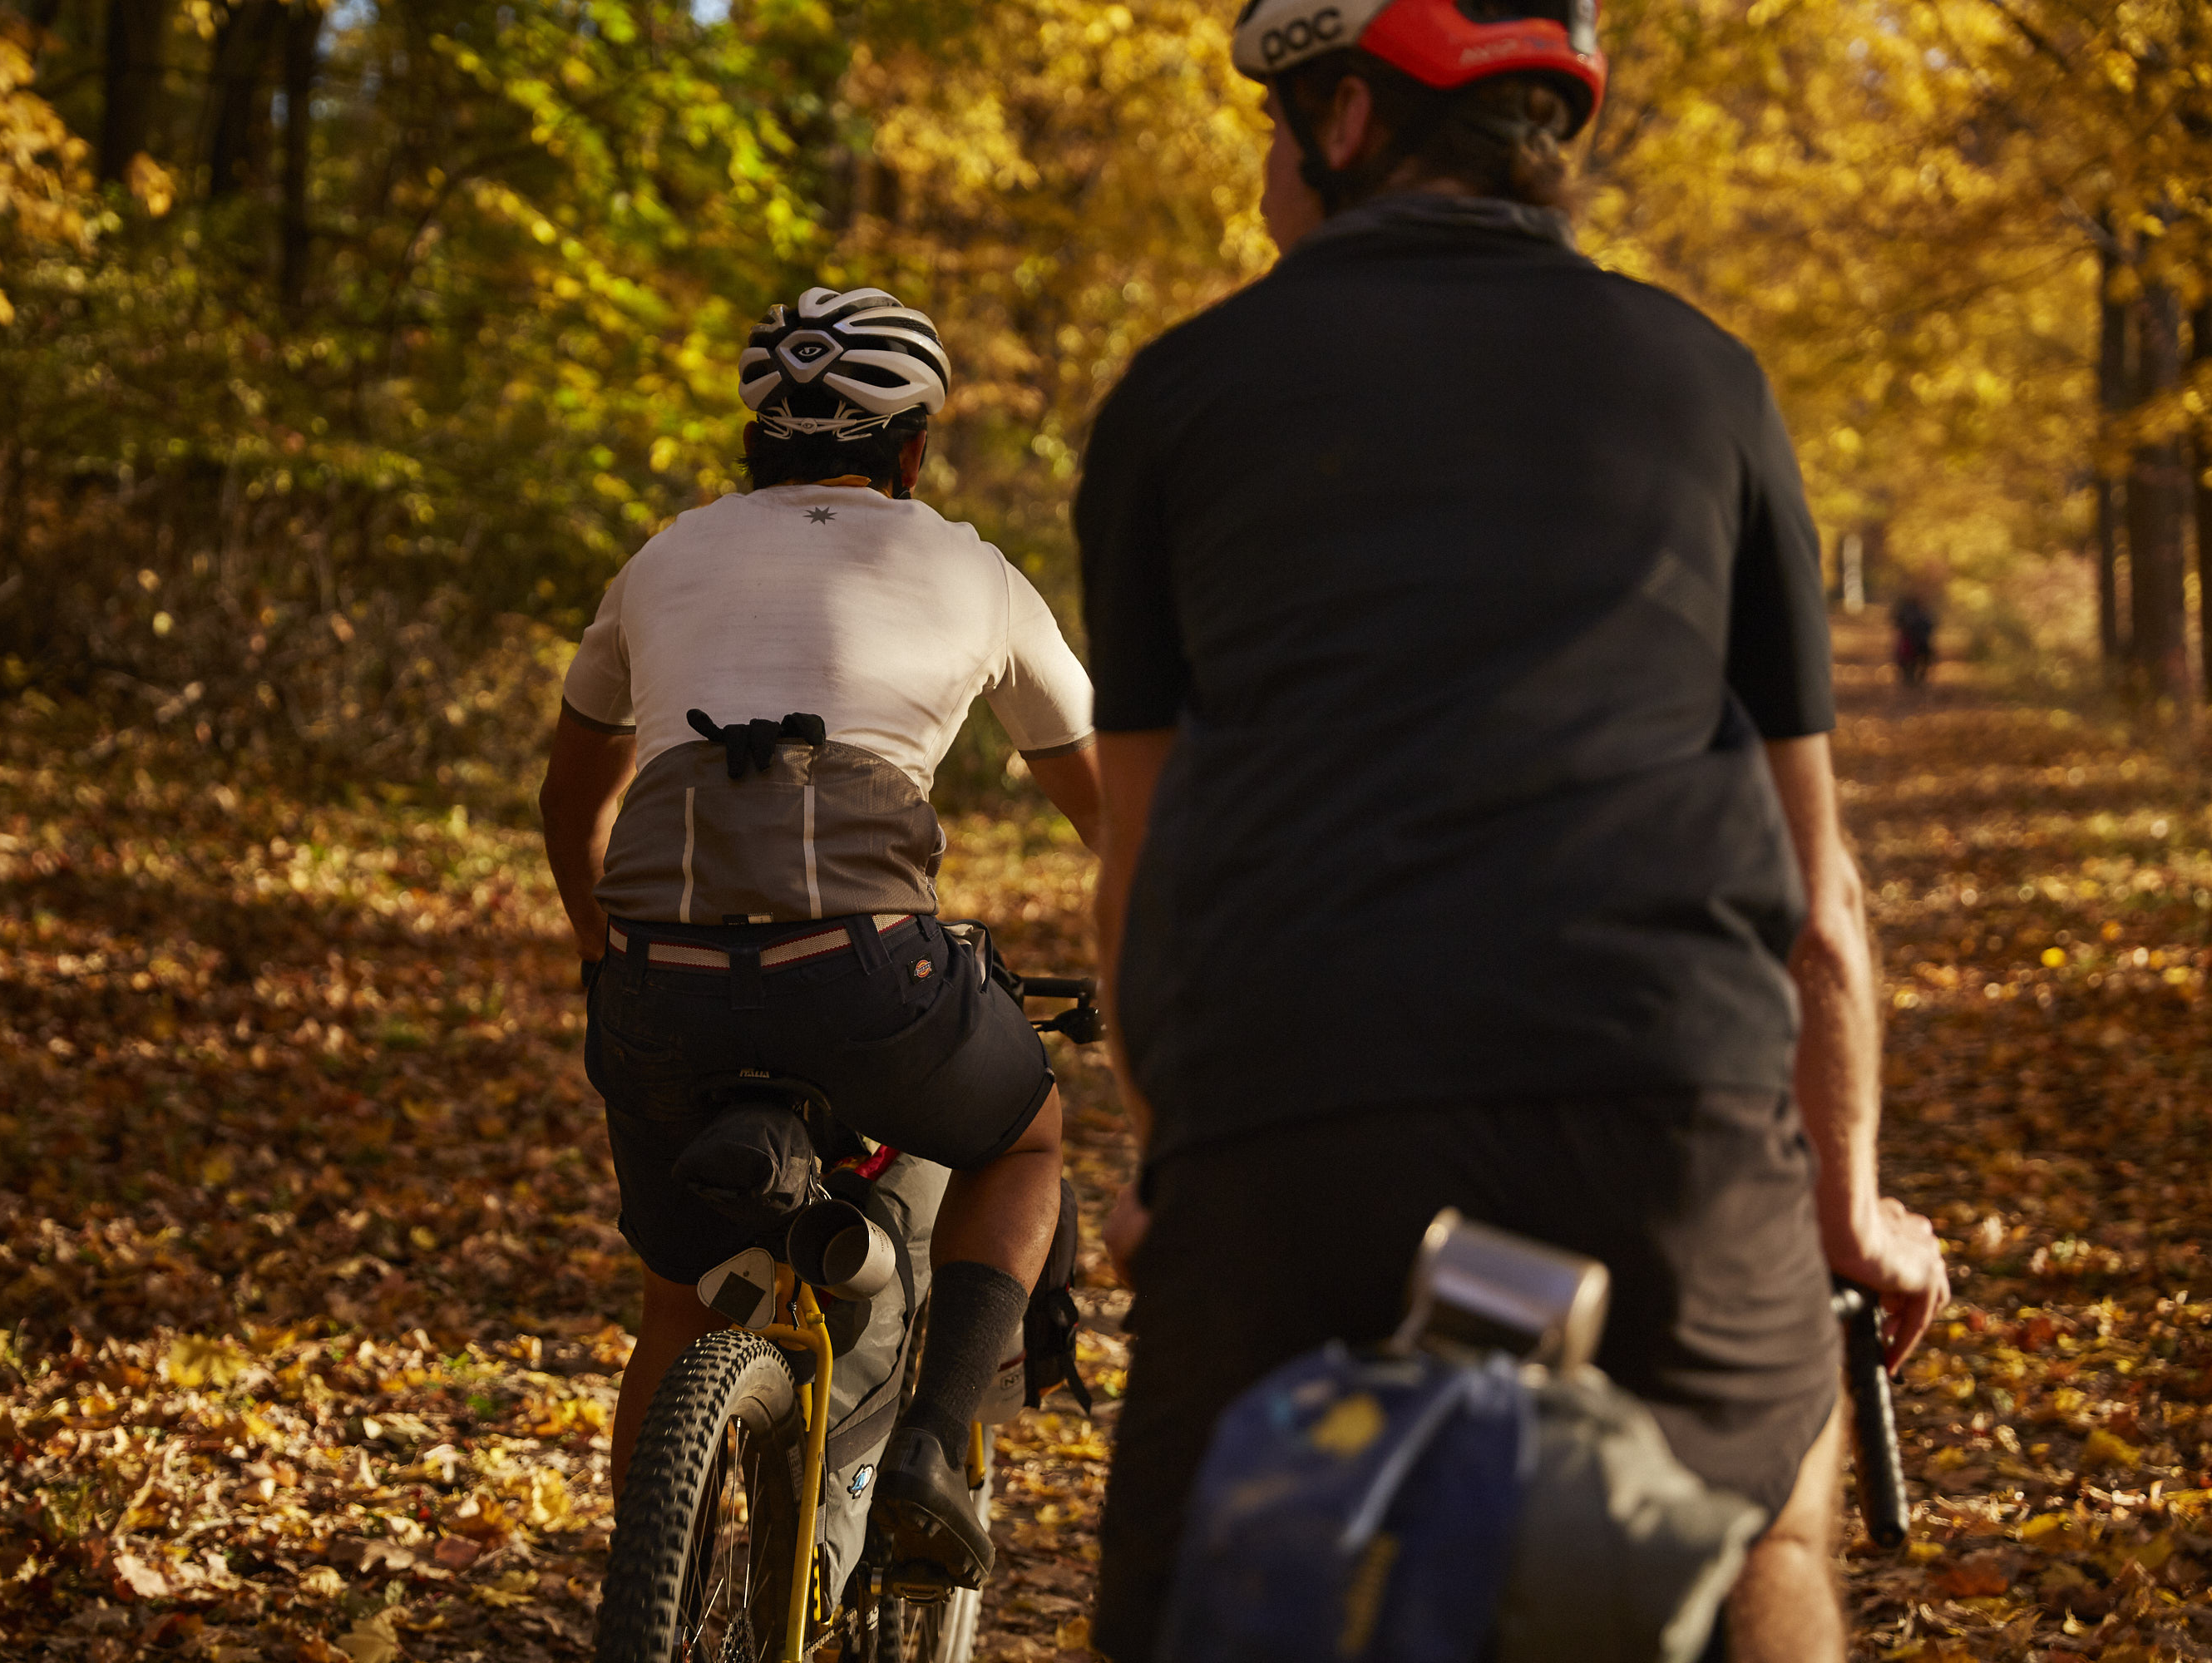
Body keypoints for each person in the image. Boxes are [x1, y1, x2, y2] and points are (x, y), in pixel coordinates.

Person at [1074, 4, 1950, 1660]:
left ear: (1344, 124)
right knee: (1760, 1515)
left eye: (1279, 120)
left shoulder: (1175, 398)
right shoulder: (1705, 378)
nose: (1268, 160)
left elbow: (1143, 853)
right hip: (1660, 1091)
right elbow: (1814, 886)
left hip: (1292, 1110)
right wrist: (1850, 1206)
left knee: (1187, 1585)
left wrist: (1163, 1150)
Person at [538, 286, 1104, 1591]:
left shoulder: (663, 558)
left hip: (659, 982)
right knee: (1027, 1142)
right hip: (869, 979)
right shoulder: (970, 566)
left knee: (677, 1304)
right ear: (911, 450)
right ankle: (931, 1449)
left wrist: (593, 943)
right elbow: (1107, 812)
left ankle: (658, 1600)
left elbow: (573, 796)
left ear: (754, 444)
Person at [1894, 593, 1936, 687]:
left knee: (1911, 659)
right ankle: (1911, 678)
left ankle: (1914, 678)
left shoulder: (1922, 614)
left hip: (1917, 642)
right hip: (1914, 641)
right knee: (1910, 660)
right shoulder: (1922, 613)